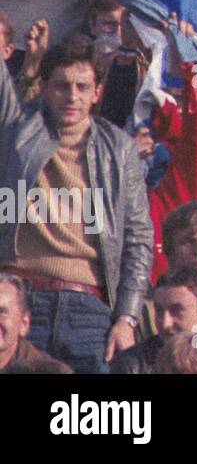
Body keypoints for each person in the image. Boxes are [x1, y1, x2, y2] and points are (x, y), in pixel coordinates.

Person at [0, 35, 153, 373]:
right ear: (43, 88)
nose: (72, 96)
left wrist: (127, 317)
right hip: (21, 298)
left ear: (98, 91)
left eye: (83, 87)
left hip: (90, 309)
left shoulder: (120, 149)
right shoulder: (15, 132)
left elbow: (138, 238)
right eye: (62, 86)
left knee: (91, 422)